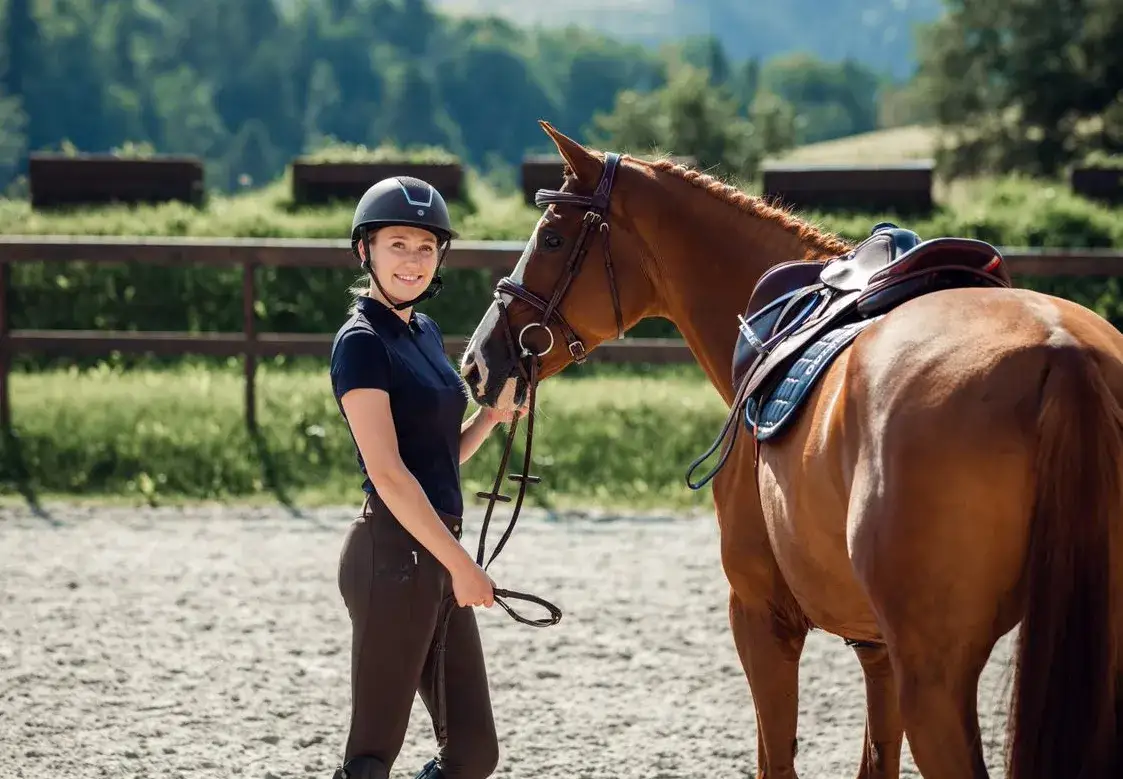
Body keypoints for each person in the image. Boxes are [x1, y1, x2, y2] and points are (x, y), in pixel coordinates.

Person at [328, 176, 514, 779]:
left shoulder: (425, 334)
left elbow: (436, 456)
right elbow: (388, 473)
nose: (412, 259)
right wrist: (461, 565)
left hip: (435, 550)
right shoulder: (360, 344)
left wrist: (491, 417)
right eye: (398, 244)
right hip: (391, 555)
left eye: (425, 248)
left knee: (473, 755)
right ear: (366, 251)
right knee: (372, 754)